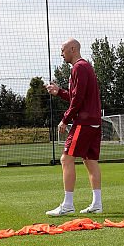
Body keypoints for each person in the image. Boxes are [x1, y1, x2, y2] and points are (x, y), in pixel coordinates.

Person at [45, 39, 104, 216]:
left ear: (73, 49)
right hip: (94, 121)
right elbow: (76, 95)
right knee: (90, 161)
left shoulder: (79, 67)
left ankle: (68, 204)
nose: (61, 54)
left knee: (66, 159)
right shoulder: (85, 67)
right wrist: (59, 92)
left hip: (84, 122)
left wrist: (65, 119)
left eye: (63, 50)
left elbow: (77, 99)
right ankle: (97, 204)